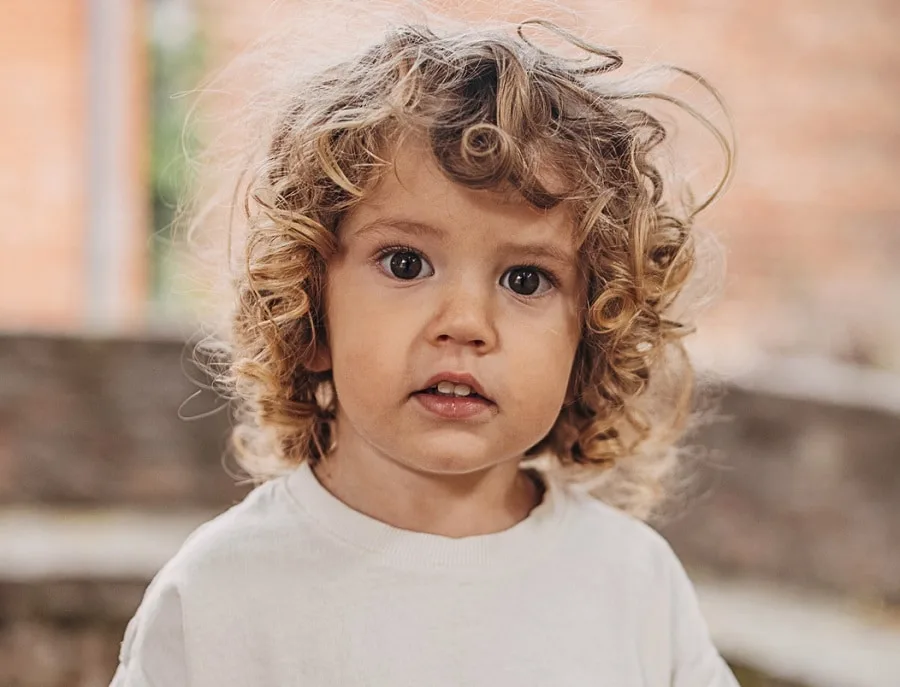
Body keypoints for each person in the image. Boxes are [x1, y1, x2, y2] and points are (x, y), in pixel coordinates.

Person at [111, 16, 737, 687]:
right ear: (311, 308)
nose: (465, 323)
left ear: (589, 334)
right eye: (406, 263)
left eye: (525, 278)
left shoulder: (633, 583)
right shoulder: (218, 597)